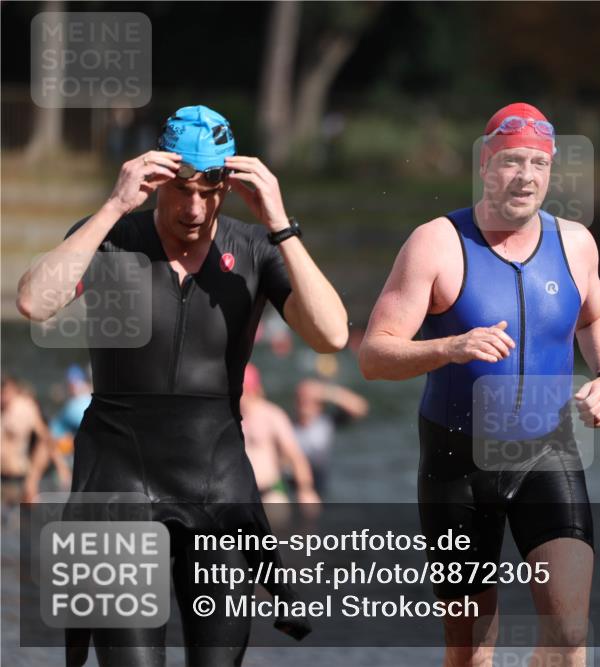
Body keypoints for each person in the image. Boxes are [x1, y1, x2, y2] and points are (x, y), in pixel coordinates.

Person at [16, 105, 349, 667]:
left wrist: (281, 223)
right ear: (159, 178)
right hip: (117, 478)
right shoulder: (113, 236)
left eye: (209, 191)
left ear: (228, 184)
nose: (194, 208)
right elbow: (33, 301)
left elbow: (332, 335)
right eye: (182, 189)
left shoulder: (255, 248)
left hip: (215, 481)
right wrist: (113, 204)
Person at [359, 102, 600, 667]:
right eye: (510, 162)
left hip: (547, 453)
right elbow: (375, 356)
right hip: (458, 463)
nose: (525, 176)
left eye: (538, 164)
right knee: (472, 651)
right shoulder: (436, 243)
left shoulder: (575, 243)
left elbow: (597, 316)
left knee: (571, 633)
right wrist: (449, 347)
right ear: (485, 166)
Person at [240, 363, 320, 504]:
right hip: (238, 497)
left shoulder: (271, 415)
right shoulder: (228, 418)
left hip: (269, 493)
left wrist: (306, 490)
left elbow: (294, 455)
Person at [293, 369, 369, 497]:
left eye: (309, 400)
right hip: (294, 486)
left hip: (320, 484)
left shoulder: (326, 422)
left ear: (319, 404)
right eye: (302, 399)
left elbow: (360, 408)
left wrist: (326, 392)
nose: (305, 404)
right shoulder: (286, 424)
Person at [23, 365, 90, 502]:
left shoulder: (78, 404)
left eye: (75, 383)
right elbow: (50, 440)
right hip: (62, 459)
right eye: (71, 383)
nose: (73, 386)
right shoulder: (74, 406)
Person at [1, 376, 62, 511]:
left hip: (20, 477)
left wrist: (60, 467)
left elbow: (46, 440)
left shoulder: (24, 409)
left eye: (7, 392)